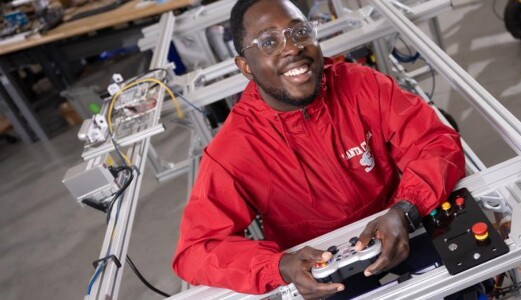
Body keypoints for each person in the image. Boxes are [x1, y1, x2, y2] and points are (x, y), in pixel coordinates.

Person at [171, 0, 466, 298]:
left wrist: (407, 208)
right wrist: (279, 266)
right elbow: (196, 250)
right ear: (246, 67)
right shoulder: (234, 150)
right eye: (269, 42)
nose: (292, 48)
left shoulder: (362, 85)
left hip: (401, 228)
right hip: (318, 272)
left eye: (300, 32)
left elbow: (435, 143)